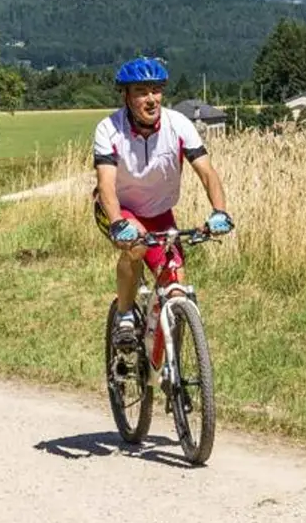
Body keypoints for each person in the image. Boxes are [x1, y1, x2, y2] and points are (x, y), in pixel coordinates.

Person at [91, 56, 234, 350]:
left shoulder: (178, 124)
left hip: (160, 214)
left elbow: (207, 172)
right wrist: (118, 222)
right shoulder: (109, 129)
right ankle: (125, 314)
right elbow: (106, 184)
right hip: (120, 210)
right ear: (126, 96)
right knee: (137, 245)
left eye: (156, 90)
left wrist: (219, 212)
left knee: (176, 288)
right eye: (141, 91)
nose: (151, 99)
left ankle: (168, 368)